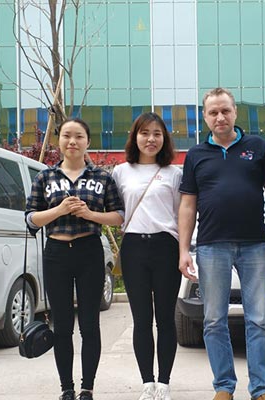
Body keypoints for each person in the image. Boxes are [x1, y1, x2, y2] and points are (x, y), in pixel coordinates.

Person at [177, 88, 265, 400]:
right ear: (205, 116)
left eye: (225, 110)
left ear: (235, 112)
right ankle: (224, 387)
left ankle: (261, 389)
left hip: (255, 245)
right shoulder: (196, 155)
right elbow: (187, 205)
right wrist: (184, 249)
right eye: (213, 112)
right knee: (214, 320)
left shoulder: (257, 147)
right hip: (212, 246)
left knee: (258, 320)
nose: (220, 117)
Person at [25, 118, 124, 400]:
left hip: (89, 250)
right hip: (56, 253)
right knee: (62, 323)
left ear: (87, 142)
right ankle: (66, 389)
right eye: (67, 136)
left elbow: (118, 216)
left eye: (79, 136)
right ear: (59, 141)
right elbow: (30, 219)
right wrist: (58, 210)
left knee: (90, 323)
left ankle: (87, 388)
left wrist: (90, 214)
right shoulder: (44, 177)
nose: (72, 142)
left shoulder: (102, 177)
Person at [112, 112, 182, 400]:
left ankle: (164, 383)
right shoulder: (120, 172)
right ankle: (147, 383)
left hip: (166, 247)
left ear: (164, 138)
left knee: (165, 319)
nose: (150, 139)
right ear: (135, 136)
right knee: (141, 319)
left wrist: (185, 251)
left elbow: (181, 214)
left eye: (157, 133)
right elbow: (117, 213)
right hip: (133, 249)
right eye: (144, 133)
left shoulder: (174, 173)